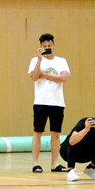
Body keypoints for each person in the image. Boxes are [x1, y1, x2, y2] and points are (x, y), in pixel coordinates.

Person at [28, 33, 70, 173]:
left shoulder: (61, 61)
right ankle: (36, 163)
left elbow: (63, 78)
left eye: (49, 45)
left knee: (56, 134)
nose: (47, 48)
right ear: (41, 47)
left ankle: (55, 163)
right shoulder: (35, 60)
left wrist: (45, 75)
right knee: (38, 132)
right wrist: (39, 60)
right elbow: (34, 77)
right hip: (41, 101)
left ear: (54, 45)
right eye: (44, 46)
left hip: (57, 102)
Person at [61, 106, 95, 181]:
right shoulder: (84, 122)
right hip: (67, 152)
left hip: (86, 153)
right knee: (75, 141)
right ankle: (70, 170)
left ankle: (91, 168)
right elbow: (72, 141)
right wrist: (86, 129)